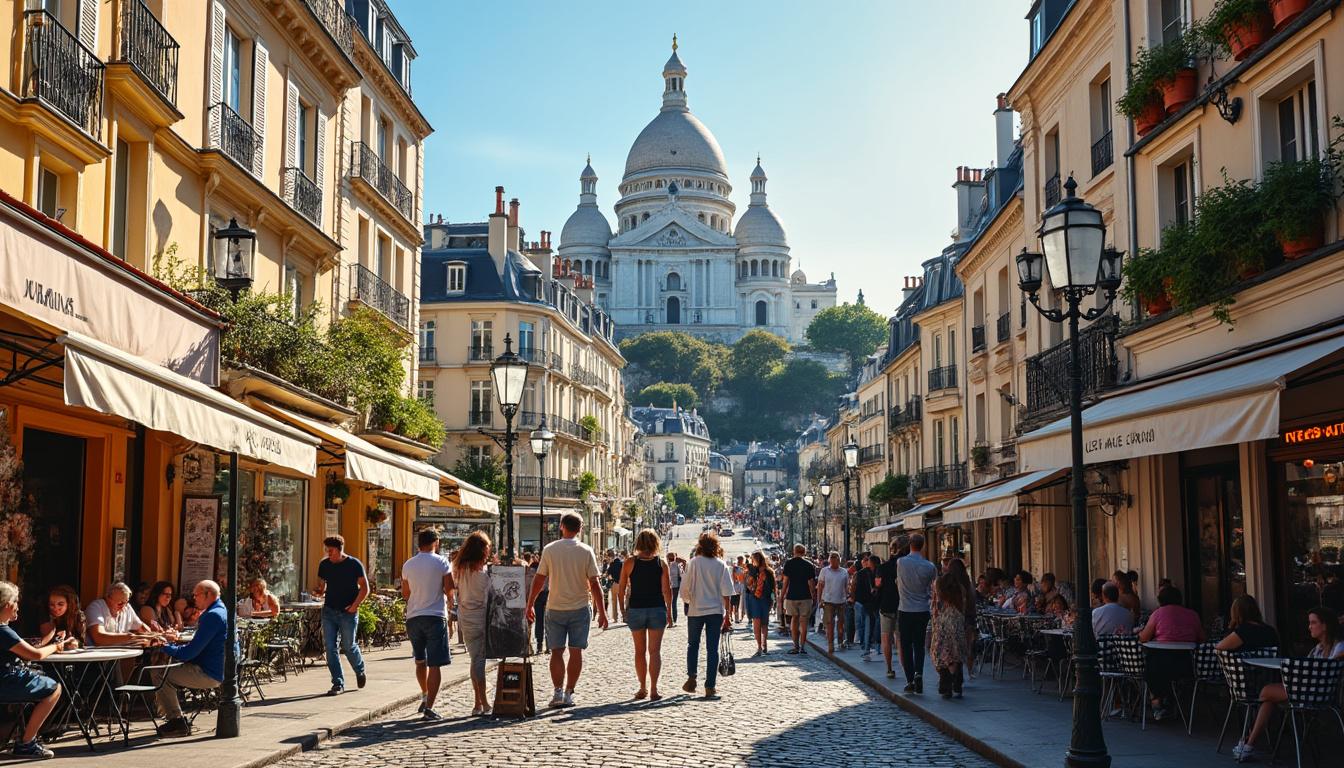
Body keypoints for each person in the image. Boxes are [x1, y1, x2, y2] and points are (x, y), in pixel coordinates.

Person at [1234, 606, 1344, 762]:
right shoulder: (1318, 649)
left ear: (1325, 626)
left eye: (1313, 623)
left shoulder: (1338, 647)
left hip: (1314, 695)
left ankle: (1248, 742)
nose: (1309, 626)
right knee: (1268, 698)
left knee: (1266, 691)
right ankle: (1249, 743)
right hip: (1310, 693)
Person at [527, 512, 608, 709]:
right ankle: (569, 693)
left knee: (556, 652)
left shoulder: (550, 549)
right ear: (580, 529)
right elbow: (594, 584)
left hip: (555, 607)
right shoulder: (586, 551)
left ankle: (557, 692)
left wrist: (529, 604)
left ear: (561, 526)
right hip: (579, 607)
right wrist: (603, 612)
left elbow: (539, 579)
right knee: (575, 652)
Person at [0, 580, 77, 758]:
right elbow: (35, 655)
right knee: (54, 688)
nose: (18, 606)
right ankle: (27, 742)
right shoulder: (3, 630)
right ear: (8, 604)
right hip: (5, 681)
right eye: (16, 602)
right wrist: (57, 646)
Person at [154, 580, 230, 738]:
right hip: (219, 669)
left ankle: (176, 721)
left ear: (207, 595)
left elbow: (189, 653)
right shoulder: (221, 610)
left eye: (196, 595)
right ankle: (174, 716)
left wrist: (164, 646)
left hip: (210, 673)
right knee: (168, 669)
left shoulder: (212, 616)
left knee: (159, 672)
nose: (193, 599)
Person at [401, 528, 453, 720]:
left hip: (413, 617)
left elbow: (405, 594)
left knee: (420, 660)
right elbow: (449, 589)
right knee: (435, 664)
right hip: (435, 615)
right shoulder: (442, 562)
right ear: (435, 542)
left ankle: (424, 694)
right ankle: (430, 706)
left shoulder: (408, 564)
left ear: (419, 543)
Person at [617, 529, 672, 701]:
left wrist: (622, 610)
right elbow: (666, 590)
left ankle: (642, 688)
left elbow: (622, 589)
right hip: (657, 608)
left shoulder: (630, 563)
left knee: (639, 652)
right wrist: (669, 611)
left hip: (636, 609)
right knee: (655, 652)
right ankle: (654, 689)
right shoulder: (661, 563)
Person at [1137, 585, 1205, 720]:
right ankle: (1171, 701)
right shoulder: (1192, 615)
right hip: (1187, 665)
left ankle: (1156, 702)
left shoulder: (1158, 613)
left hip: (1160, 666)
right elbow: (1203, 638)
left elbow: (1143, 637)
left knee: (1150, 663)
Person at [313, 535, 369, 695]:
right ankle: (338, 683)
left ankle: (359, 670)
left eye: (330, 551)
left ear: (339, 549)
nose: (328, 553)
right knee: (330, 648)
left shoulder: (354, 564)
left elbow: (365, 588)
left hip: (347, 612)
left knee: (349, 646)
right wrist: (318, 591)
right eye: (326, 550)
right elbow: (322, 587)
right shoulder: (324, 565)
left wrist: (354, 606)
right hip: (329, 610)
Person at [681, 532, 734, 698]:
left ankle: (692, 677)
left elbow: (685, 588)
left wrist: (690, 600)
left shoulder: (694, 563)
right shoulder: (720, 565)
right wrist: (728, 616)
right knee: (713, 649)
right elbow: (727, 593)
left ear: (700, 545)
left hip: (696, 610)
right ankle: (710, 686)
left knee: (693, 645)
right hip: (715, 612)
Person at [452, 531, 492, 716]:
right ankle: (483, 702)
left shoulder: (460, 568)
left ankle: (477, 703)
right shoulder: (482, 574)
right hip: (480, 618)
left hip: (465, 617)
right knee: (479, 660)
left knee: (474, 658)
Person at [896, 533, 938, 694]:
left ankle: (910, 680)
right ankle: (919, 673)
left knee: (906, 646)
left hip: (905, 609)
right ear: (923, 545)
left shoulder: (901, 563)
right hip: (922, 609)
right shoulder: (930, 566)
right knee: (919, 645)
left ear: (910, 545)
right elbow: (934, 589)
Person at [931, 572, 969, 699]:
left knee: (942, 652)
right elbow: (964, 607)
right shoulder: (961, 590)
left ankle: (946, 682)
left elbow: (935, 607)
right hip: (957, 621)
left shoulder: (940, 589)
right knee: (955, 652)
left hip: (943, 623)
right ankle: (954, 681)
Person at [875, 538, 908, 680]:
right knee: (900, 639)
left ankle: (889, 668)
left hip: (886, 606)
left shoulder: (883, 567)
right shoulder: (906, 566)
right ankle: (905, 669)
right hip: (903, 605)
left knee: (886, 638)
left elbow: (877, 585)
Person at [85, 582, 153, 646]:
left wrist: (154, 635)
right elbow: (99, 637)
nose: (123, 607)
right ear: (108, 598)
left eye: (126, 602)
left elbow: (142, 628)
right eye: (120, 603)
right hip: (98, 656)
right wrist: (132, 638)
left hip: (120, 654)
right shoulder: (95, 607)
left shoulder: (127, 607)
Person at [780, 543, 817, 655]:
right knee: (804, 621)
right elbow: (811, 583)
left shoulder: (789, 564)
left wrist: (782, 596)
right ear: (804, 552)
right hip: (805, 597)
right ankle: (802, 646)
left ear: (794, 552)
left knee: (794, 620)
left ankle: (795, 646)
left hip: (792, 596)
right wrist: (814, 596)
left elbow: (785, 582)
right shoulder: (809, 565)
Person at [1214, 595, 1278, 653]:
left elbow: (1219, 647)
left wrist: (1231, 626)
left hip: (1247, 665)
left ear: (1236, 613)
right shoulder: (1270, 630)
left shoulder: (1243, 631)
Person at [744, 551, 776, 656]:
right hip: (755, 599)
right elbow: (748, 584)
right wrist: (751, 574)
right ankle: (759, 646)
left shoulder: (768, 572)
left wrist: (773, 599)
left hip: (764, 599)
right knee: (757, 623)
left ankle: (764, 644)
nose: (753, 561)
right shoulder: (753, 571)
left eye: (754, 559)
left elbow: (772, 588)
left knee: (764, 624)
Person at [816, 552, 848, 655]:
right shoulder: (825, 571)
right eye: (832, 559)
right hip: (828, 601)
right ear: (830, 560)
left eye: (836, 559)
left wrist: (847, 596)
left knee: (841, 624)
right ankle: (830, 644)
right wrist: (819, 600)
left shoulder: (844, 572)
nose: (834, 561)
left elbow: (846, 587)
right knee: (830, 624)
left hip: (841, 601)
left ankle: (840, 641)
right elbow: (820, 586)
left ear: (839, 560)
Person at [853, 554, 880, 661]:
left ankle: (866, 646)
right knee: (866, 626)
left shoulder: (865, 573)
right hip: (867, 603)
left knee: (864, 625)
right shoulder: (867, 573)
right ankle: (867, 647)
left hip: (866, 602)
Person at [529, 553, 548, 652]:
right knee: (546, 620)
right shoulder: (550, 566)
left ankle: (540, 645)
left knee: (540, 621)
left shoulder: (535, 568)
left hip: (540, 595)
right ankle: (547, 645)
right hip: (546, 595)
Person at [605, 550, 625, 624]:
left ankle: (615, 618)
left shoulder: (612, 564)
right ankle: (623, 616)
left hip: (614, 583)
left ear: (610, 556)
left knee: (614, 601)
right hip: (621, 583)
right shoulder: (621, 563)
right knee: (621, 600)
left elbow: (609, 576)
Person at [666, 552, 683, 627]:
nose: (671, 560)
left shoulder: (677, 565)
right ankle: (668, 618)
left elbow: (681, 575)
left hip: (675, 586)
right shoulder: (664, 564)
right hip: (666, 586)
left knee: (673, 602)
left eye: (672, 558)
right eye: (670, 558)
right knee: (667, 602)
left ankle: (674, 618)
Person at [730, 555, 746, 625]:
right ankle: (732, 617)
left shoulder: (742, 567)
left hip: (739, 587)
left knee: (737, 603)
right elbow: (733, 577)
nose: (741, 561)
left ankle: (737, 617)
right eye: (740, 560)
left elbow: (743, 577)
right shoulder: (735, 568)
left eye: (742, 560)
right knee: (733, 603)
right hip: (735, 588)